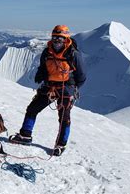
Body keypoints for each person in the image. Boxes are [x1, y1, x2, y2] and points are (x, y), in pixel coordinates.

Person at [9, 25, 86, 156]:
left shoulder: (73, 54)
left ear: (66, 39)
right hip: (50, 86)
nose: (57, 41)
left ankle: (60, 145)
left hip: (66, 88)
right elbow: (43, 67)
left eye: (60, 38)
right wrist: (41, 74)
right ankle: (25, 135)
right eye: (55, 38)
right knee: (33, 108)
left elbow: (81, 76)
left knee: (64, 118)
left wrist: (73, 90)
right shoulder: (47, 52)